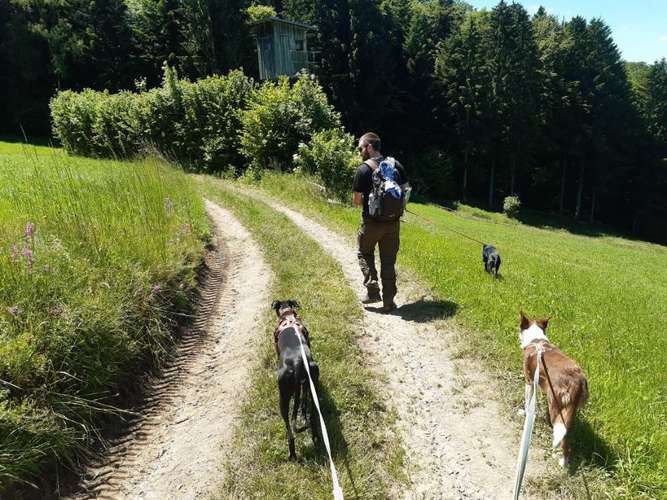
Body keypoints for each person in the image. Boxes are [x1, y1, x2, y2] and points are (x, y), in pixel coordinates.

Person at [352, 132, 409, 313]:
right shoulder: (396, 165)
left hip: (371, 223)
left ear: (369, 147)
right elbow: (405, 191)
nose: (360, 151)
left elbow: (357, 201)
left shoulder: (363, 170)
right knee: (388, 262)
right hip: (393, 224)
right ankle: (389, 302)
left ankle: (372, 287)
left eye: (361, 148)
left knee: (364, 252)